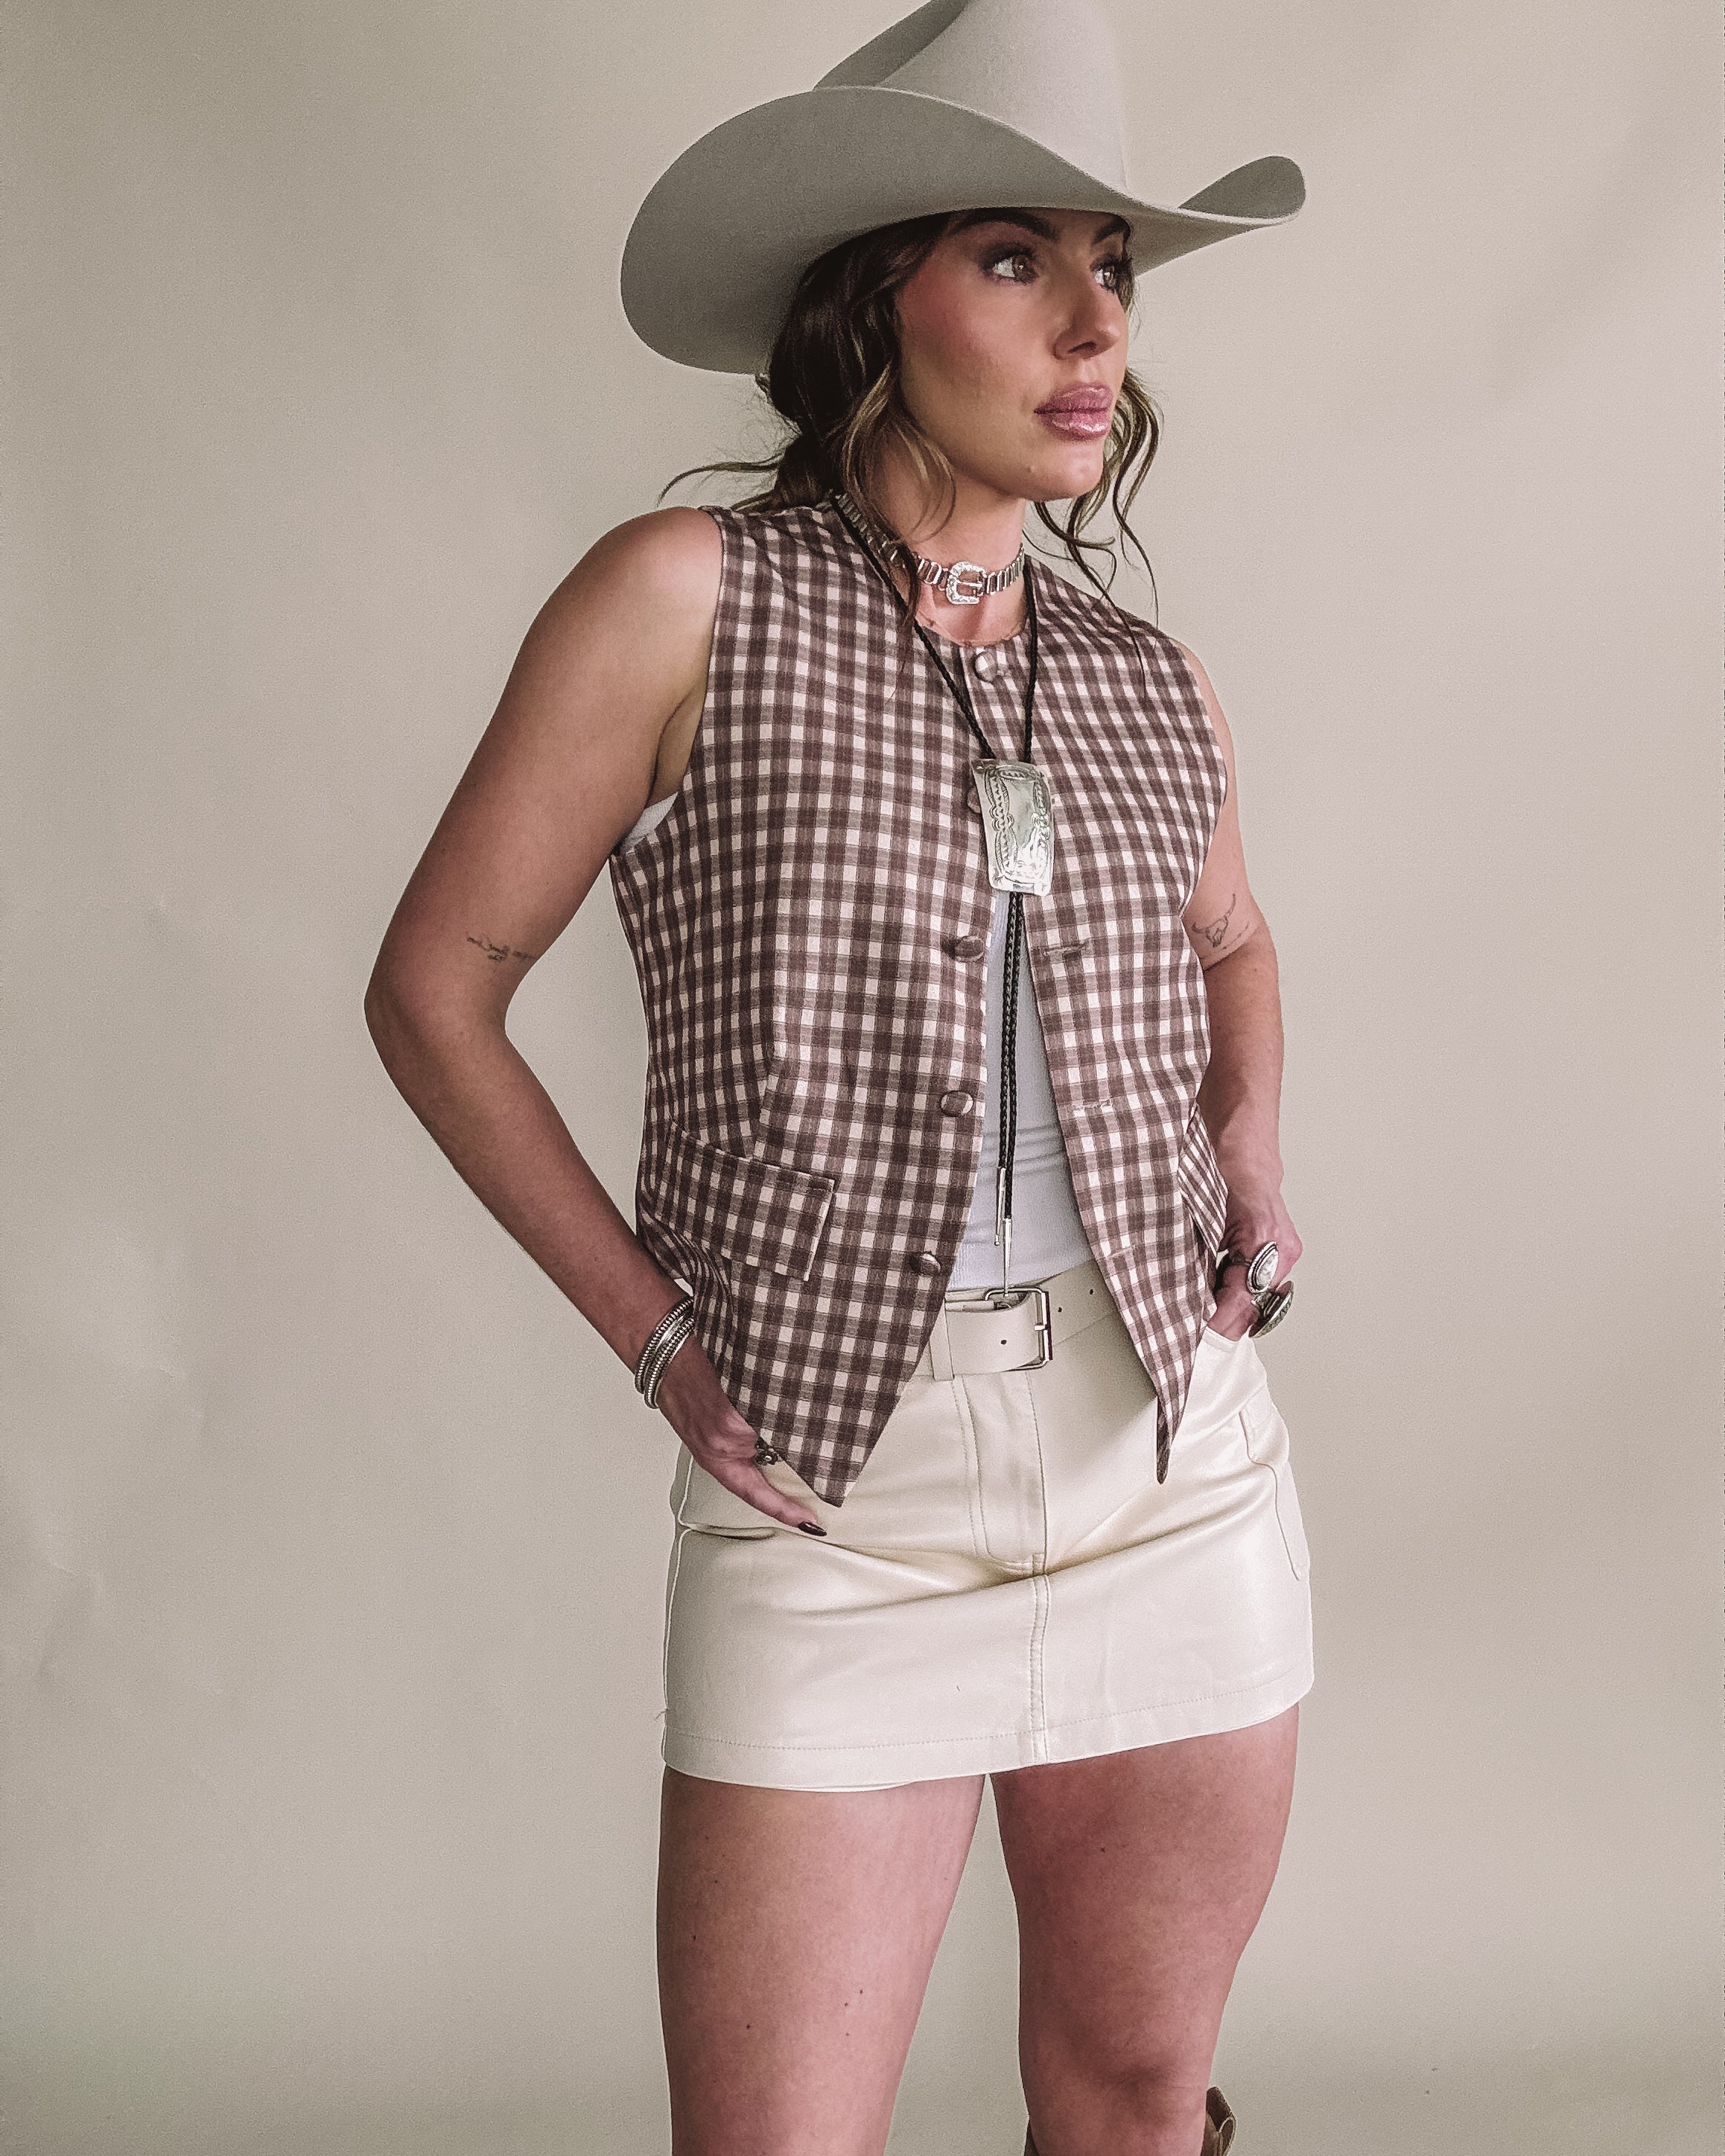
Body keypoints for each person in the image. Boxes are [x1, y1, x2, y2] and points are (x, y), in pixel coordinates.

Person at [365, 1, 1314, 2150]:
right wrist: (653, 1332)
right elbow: (437, 982)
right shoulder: (681, 600)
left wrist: (1246, 1139)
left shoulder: (1143, 676)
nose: (1094, 325)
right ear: (859, 305)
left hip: (1167, 1458)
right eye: (1012, 256)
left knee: (1137, 2091)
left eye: (1114, 265)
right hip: (838, 1508)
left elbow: (1231, 939)